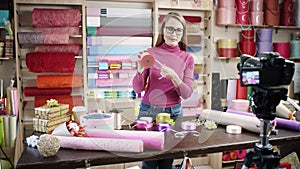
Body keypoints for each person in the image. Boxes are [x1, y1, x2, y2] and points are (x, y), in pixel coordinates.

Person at [132, 12, 195, 169]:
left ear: (183, 33)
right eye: (170, 29)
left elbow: (186, 93)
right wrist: (140, 69)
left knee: (167, 162)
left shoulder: (187, 58)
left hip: (174, 113)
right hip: (149, 113)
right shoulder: (150, 53)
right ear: (163, 30)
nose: (174, 34)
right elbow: (138, 88)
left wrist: (174, 77)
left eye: (178, 30)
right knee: (149, 162)